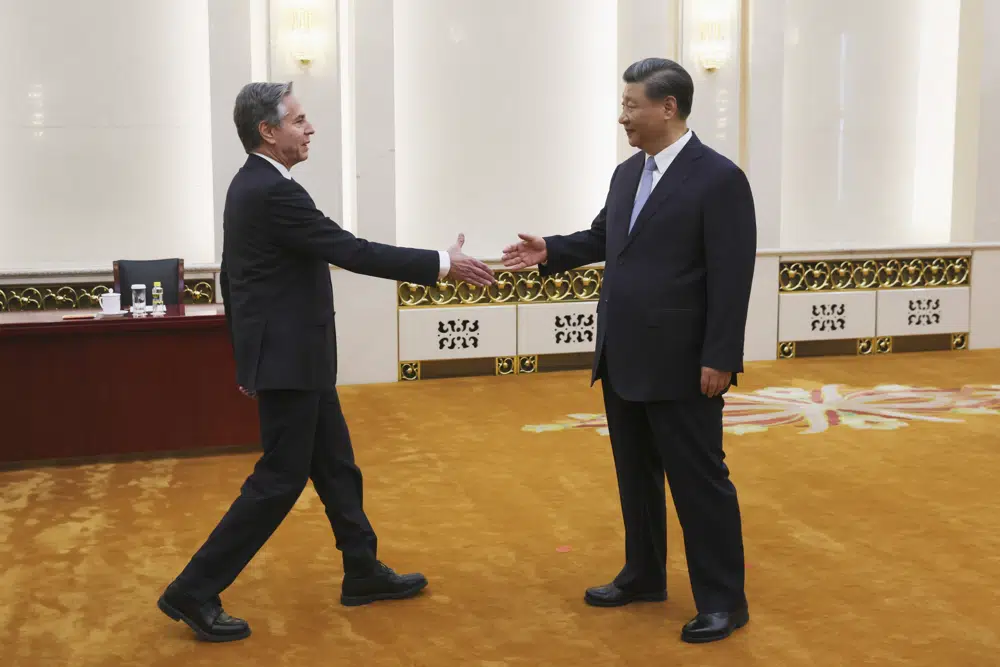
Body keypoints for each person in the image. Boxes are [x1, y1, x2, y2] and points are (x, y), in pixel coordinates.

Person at [157, 81, 495, 642]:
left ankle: (362, 570)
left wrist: (248, 358)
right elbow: (350, 250)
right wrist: (442, 262)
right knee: (279, 480)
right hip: (291, 361)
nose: (310, 128)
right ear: (268, 132)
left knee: (336, 466)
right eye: (299, 120)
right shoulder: (271, 191)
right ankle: (194, 588)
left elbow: (235, 278)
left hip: (296, 358)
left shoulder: (254, 186)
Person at [502, 58, 756, 644]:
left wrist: (720, 356)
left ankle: (723, 600)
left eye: (631, 106)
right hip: (622, 358)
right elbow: (604, 237)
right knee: (635, 478)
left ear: (667, 107)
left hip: (686, 364)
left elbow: (731, 275)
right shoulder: (626, 174)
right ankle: (643, 575)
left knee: (700, 482)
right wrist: (552, 250)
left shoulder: (718, 179)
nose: (623, 118)